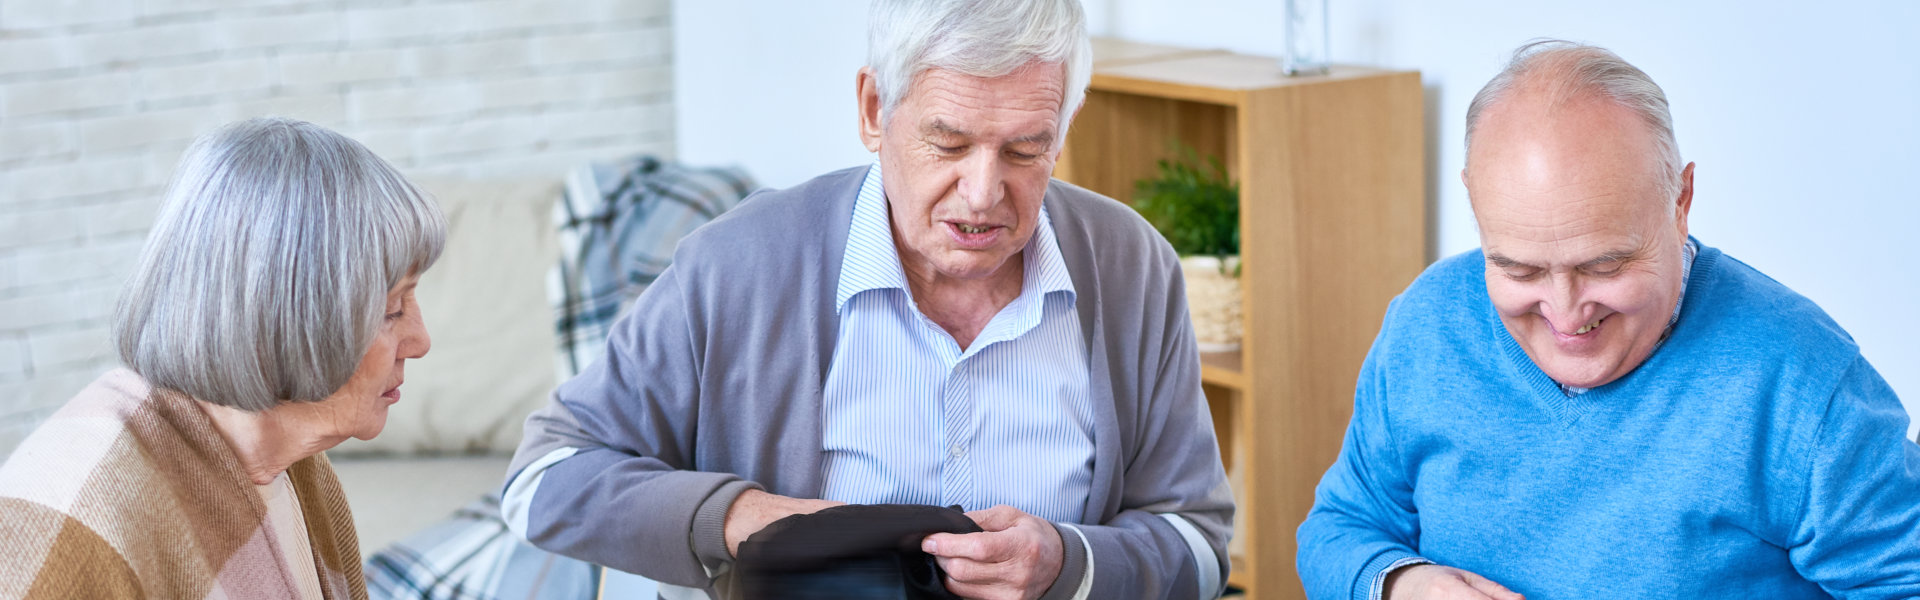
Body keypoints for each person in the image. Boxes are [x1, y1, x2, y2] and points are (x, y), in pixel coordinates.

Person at [502, 0, 1233, 598]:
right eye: (947, 145)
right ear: (874, 109)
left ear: (1062, 131)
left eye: (1024, 150)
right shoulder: (739, 264)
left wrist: (1066, 563)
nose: (983, 195)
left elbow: (1200, 547)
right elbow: (542, 479)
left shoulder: (1131, 266)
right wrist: (747, 519)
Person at [1296, 39, 1920, 600]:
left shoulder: (1801, 380)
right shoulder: (1427, 323)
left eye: (1605, 265)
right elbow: (1340, 529)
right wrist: (1401, 585)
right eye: (1520, 271)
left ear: (1681, 202)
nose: (1566, 314)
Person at [0, 117, 444, 599]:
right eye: (392, 310)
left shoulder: (295, 462)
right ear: (281, 316)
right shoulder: (77, 524)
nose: (420, 341)